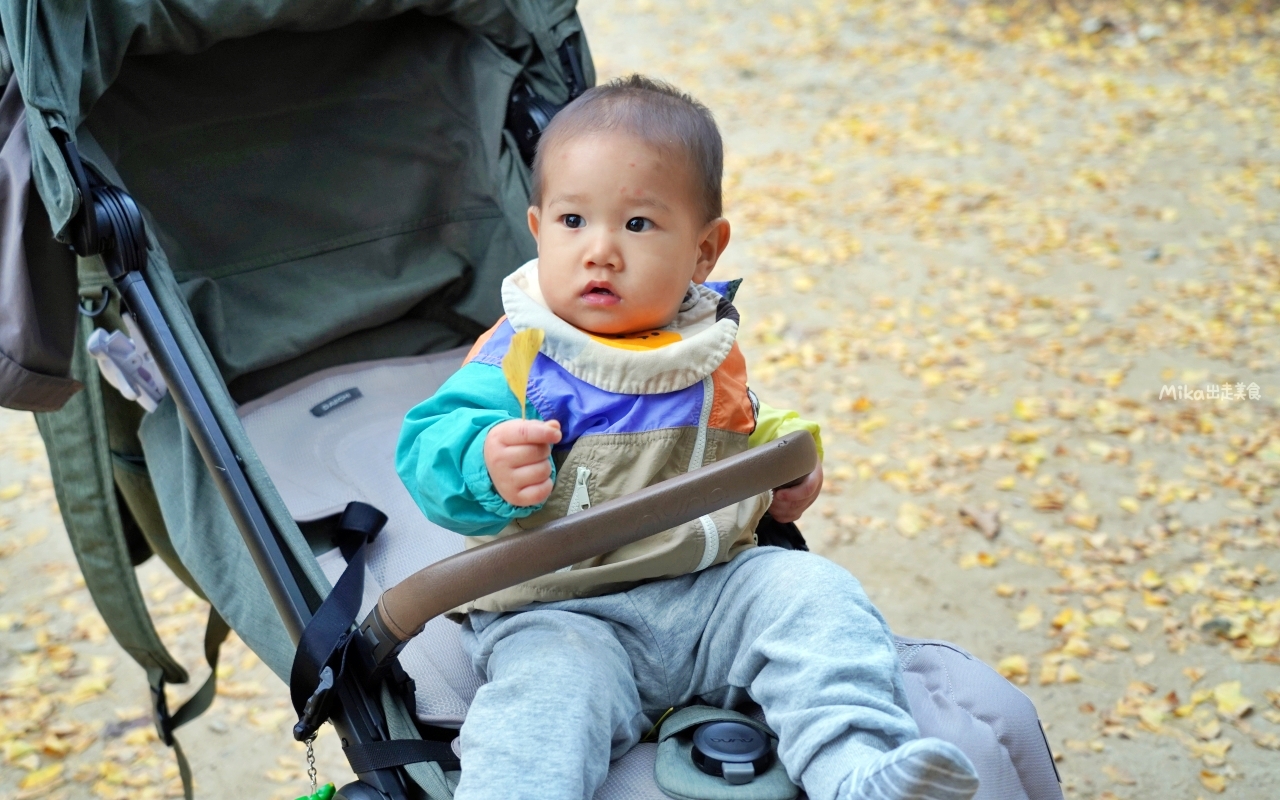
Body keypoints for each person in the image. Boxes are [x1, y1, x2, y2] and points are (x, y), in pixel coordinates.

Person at [396, 75, 979, 800]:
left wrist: (787, 457)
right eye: (574, 222)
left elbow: (743, 421)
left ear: (704, 253)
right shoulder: (521, 354)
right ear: (539, 228)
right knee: (544, 700)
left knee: (812, 593)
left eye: (637, 225)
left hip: (708, 597)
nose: (601, 251)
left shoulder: (700, 345)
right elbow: (426, 448)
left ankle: (856, 769)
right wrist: (483, 462)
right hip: (566, 612)